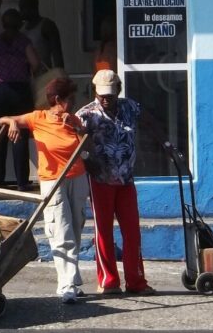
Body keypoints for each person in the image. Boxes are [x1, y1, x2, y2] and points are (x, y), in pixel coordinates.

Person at [0, 77, 89, 304]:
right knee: (61, 229)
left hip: (77, 177)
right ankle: (66, 285)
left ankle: (72, 280)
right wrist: (13, 123)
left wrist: (77, 126)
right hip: (52, 180)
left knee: (76, 227)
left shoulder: (74, 119)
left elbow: (87, 146)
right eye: (70, 99)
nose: (73, 102)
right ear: (58, 100)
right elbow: (2, 119)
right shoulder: (38, 118)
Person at [76, 69, 156, 295]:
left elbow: (150, 122)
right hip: (100, 180)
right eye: (101, 94)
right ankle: (109, 281)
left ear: (118, 90)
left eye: (110, 94)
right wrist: (86, 159)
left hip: (126, 179)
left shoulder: (130, 107)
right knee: (103, 231)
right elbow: (74, 142)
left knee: (132, 231)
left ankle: (136, 282)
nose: (105, 99)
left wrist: (166, 145)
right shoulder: (87, 114)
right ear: (95, 91)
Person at [0, 8, 40, 190]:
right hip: (19, 91)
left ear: (3, 24)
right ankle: (22, 182)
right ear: (20, 24)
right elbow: (35, 63)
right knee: (20, 135)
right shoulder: (23, 41)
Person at [19, 0, 65, 69]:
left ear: (33, 8)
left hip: (43, 73)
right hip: (26, 75)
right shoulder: (21, 27)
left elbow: (57, 54)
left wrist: (60, 74)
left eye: (23, 8)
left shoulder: (47, 25)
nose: (21, 12)